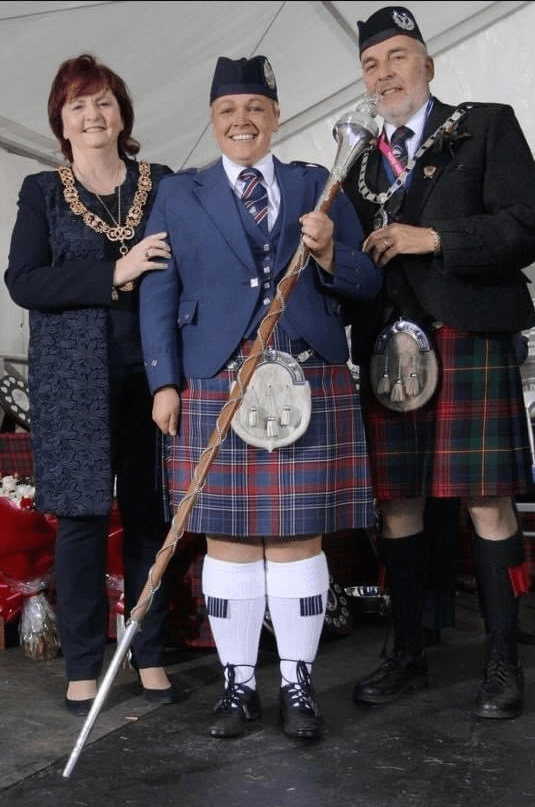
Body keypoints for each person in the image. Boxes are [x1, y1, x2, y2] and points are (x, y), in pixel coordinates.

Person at [139, 55, 381, 740]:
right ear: (212, 120)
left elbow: (366, 283)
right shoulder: (179, 193)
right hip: (215, 378)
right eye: (227, 110)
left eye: (255, 108)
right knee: (230, 540)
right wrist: (163, 381)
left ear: (275, 116)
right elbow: (157, 291)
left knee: (299, 537)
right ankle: (239, 684)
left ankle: (298, 685)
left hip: (307, 372)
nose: (241, 120)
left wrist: (330, 253)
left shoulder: (318, 182)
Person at [343, 6, 535, 720]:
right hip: (388, 351)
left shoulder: (484, 126)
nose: (384, 73)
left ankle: (501, 659)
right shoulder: (358, 164)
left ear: (427, 63)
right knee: (398, 504)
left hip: (467, 334)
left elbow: (526, 223)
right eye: (371, 64)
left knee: (486, 500)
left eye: (397, 57)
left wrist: (435, 238)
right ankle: (406, 651)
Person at [5, 54, 175, 715]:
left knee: (149, 516)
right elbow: (24, 281)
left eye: (103, 101)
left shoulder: (162, 185)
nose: (93, 114)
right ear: (62, 122)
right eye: (78, 105)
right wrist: (115, 272)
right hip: (70, 380)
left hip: (151, 373)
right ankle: (82, 664)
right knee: (79, 520)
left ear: (122, 115)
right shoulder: (41, 192)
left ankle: (149, 652)